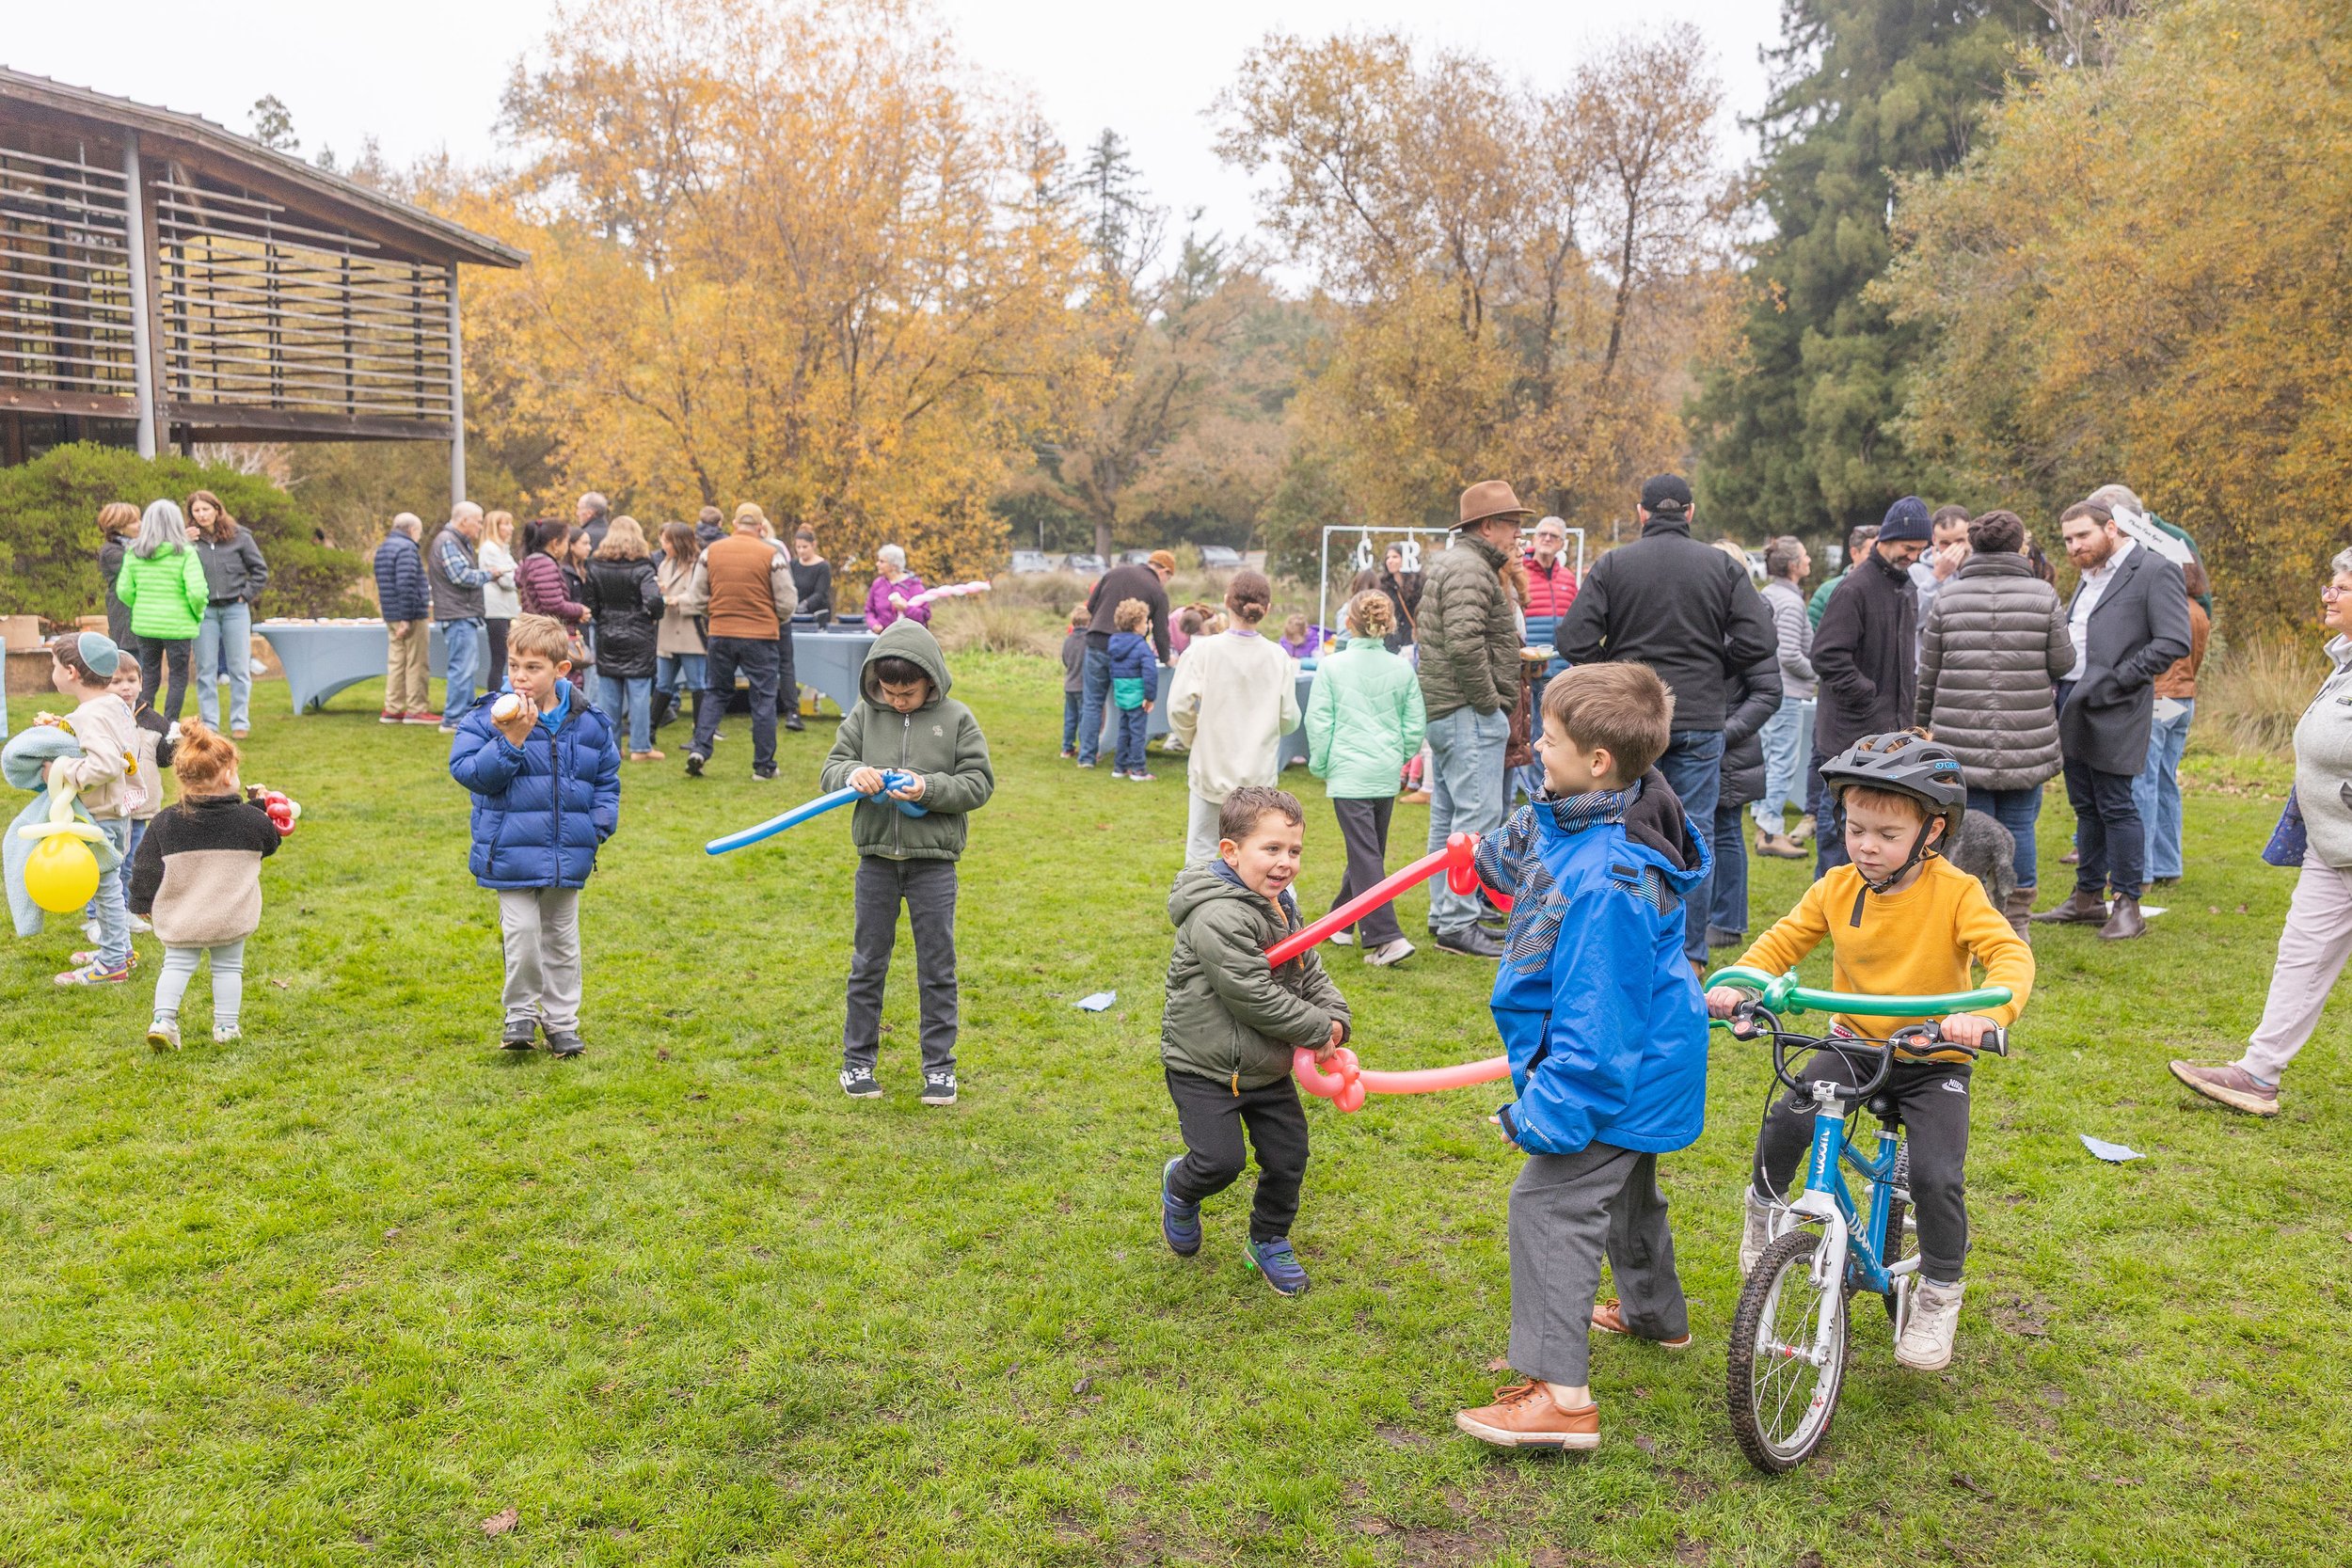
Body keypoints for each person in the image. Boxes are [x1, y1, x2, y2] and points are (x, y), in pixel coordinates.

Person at [1708, 733, 2034, 1373]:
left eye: (1886, 833)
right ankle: (1765, 1207)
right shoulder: (1835, 886)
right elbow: (1780, 944)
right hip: (1855, 1043)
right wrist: (1741, 983)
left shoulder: (1957, 891)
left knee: (1938, 1175)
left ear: (1932, 830)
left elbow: (2009, 956)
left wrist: (1981, 1014)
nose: (1866, 844)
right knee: (1790, 1112)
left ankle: (1939, 1290)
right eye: (1856, 828)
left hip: (1934, 1054)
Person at [1453, 663, 1708, 1451]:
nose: (1535, 747)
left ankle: (1560, 1396)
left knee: (1551, 1203)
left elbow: (1600, 1029)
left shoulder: (1611, 881)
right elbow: (1535, 846)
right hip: (1650, 1062)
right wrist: (1476, 860)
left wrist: (1544, 1112)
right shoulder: (1591, 811)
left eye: (1550, 738)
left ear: (1598, 759)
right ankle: (1654, 1314)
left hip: (1619, 1071)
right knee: (1626, 1189)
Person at [1555, 474, 1776, 965]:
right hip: (1698, 714)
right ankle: (1688, 955)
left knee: (1620, 825)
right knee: (1692, 831)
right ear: (1691, 513)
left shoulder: (1615, 564)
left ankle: (1622, 944)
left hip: (1632, 717)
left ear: (1642, 513)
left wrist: (1612, 670)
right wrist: (1716, 661)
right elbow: (1760, 641)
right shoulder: (1720, 565)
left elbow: (1573, 641)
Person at [2170, 550, 2352, 1117]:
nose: (2327, 593)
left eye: (2342, 586)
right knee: (2302, 953)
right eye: (2331, 583)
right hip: (2333, 842)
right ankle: (2256, 1074)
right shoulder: (2344, 658)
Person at [1156, 785, 1352, 1297]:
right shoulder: (1218, 913)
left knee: (1288, 1157)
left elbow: (1308, 970)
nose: (1285, 863)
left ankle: (1268, 1240)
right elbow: (1251, 994)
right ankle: (1180, 1188)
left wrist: (1335, 1017)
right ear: (1231, 851)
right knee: (1220, 1162)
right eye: (1271, 849)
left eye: (1294, 851)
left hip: (1266, 1066)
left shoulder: (1280, 903)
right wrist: (1315, 1030)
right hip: (1204, 1066)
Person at [820, 619, 994, 1106]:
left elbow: (978, 784)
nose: (898, 701)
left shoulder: (957, 719)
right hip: (875, 860)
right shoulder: (862, 716)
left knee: (937, 965)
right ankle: (857, 1063)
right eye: (889, 691)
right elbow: (830, 769)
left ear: (931, 680)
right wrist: (855, 773)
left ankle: (939, 1068)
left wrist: (929, 787)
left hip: (933, 864)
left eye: (909, 693)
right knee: (867, 964)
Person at [449, 613, 621, 1058]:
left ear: (561, 670)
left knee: (562, 941)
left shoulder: (590, 722)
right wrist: (512, 741)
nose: (520, 677)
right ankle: (520, 1012)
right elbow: (468, 772)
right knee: (523, 933)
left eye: (532, 667)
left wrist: (598, 825)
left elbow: (607, 777)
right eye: (513, 666)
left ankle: (562, 1022)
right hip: (509, 851)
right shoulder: (490, 717)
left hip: (568, 852)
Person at [2031, 499, 2192, 942]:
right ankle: (2086, 898)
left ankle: (2127, 905)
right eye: (2067, 539)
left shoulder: (2154, 569)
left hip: (2118, 703)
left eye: (2083, 535)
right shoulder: (2088, 576)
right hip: (2071, 699)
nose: (2074, 546)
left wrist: (2118, 680)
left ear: (2112, 528)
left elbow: (2174, 640)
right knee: (2085, 804)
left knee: (2117, 804)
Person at [1914, 509, 2073, 931]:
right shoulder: (2043, 595)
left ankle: (1970, 921)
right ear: (2020, 546)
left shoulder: (1949, 598)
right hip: (2026, 736)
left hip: (1960, 739)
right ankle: (2016, 921)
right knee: (2021, 826)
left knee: (1965, 830)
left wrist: (1918, 728)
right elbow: (2064, 662)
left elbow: (1927, 673)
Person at [1416, 483, 1534, 958]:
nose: (1517, 534)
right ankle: (1458, 922)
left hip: (1451, 709)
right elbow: (1466, 645)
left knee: (1448, 817)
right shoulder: (1471, 568)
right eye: (1512, 524)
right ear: (1488, 526)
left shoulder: (1458, 563)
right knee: (1477, 817)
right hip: (1468, 711)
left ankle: (1445, 913)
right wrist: (1491, 702)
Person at [128, 723, 283, 1051]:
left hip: (184, 915)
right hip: (229, 915)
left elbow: (145, 864)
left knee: (176, 965)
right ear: (228, 776)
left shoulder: (166, 821)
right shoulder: (252, 821)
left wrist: (141, 901)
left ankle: (163, 1021)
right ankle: (226, 1027)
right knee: (228, 968)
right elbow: (268, 841)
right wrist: (262, 808)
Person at [1305, 590, 1427, 968]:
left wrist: (1321, 764)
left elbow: (1319, 722)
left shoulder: (1331, 667)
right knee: (1368, 852)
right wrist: (1399, 756)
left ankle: (1385, 937)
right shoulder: (1401, 667)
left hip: (1349, 770)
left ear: (1348, 622)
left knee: (1365, 853)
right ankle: (1340, 922)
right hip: (1383, 771)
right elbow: (1414, 723)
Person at [1810, 498, 1931, 874]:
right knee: (1842, 831)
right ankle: (1829, 909)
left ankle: (1874, 909)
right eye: (1908, 548)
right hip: (1849, 736)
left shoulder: (1905, 588)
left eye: (1920, 551)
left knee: (1880, 830)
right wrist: (1869, 698)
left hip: (1890, 735)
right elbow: (1827, 655)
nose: (1913, 556)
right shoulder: (1855, 588)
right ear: (1887, 538)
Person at [1168, 571, 1300, 865]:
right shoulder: (1277, 657)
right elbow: (1290, 717)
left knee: (1201, 853)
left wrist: (1193, 738)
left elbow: (1178, 707)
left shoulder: (1202, 651)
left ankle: (1200, 909)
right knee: (1261, 852)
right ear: (1266, 609)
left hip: (1210, 768)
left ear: (1227, 602)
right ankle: (1271, 911)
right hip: (1258, 774)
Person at [38, 632, 139, 985]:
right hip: (117, 810)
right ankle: (119, 949)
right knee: (110, 885)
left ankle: (112, 964)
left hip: (101, 814)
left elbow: (106, 764)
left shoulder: (91, 714)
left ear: (70, 672)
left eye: (53, 666)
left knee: (106, 886)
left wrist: (62, 771)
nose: (52, 672)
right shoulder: (113, 705)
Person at [681, 505, 797, 781]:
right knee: (764, 697)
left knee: (716, 691)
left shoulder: (711, 552)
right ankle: (763, 766)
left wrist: (716, 614)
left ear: (733, 523)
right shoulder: (772, 555)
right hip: (761, 636)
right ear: (761, 526)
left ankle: (699, 748)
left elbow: (696, 596)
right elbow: (787, 601)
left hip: (721, 632)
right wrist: (771, 618)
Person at [2136, 562, 2210, 887]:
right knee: (2166, 782)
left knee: (2144, 783)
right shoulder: (2199, 612)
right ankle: (2168, 865)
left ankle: (2142, 870)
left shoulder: (2170, 609)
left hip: (2161, 699)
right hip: (2185, 699)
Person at [1708, 641, 1785, 953]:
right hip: (1708, 742)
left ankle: (1727, 922)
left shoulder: (1745, 621)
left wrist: (1721, 735)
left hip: (1727, 748)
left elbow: (1768, 691)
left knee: (1725, 829)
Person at [1074, 550, 1176, 769]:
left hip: (1096, 643)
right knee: (1128, 703)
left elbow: (1090, 607)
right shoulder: (1157, 591)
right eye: (1169, 577)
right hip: (1130, 653)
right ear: (1165, 571)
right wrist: (1167, 659)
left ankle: (1087, 757)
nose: (1167, 582)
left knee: (1093, 702)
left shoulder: (1115, 572)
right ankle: (1128, 759)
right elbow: (1161, 631)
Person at [116, 500, 210, 723]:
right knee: (177, 677)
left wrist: (142, 606)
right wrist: (196, 614)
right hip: (179, 626)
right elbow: (197, 593)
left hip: (145, 625)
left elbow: (124, 591)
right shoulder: (185, 553)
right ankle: (169, 725)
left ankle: (143, 722)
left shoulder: (134, 553)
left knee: (148, 674)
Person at [184, 490, 267, 738]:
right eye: (196, 511)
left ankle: (240, 721)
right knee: (206, 668)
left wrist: (245, 594)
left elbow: (260, 571)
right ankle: (210, 724)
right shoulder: (188, 541)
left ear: (217, 510)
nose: (201, 514)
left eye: (206, 509)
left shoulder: (239, 536)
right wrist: (181, 541)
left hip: (235, 609)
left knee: (239, 667)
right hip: (204, 611)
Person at [584, 517, 667, 762]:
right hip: (638, 632)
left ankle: (611, 746)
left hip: (608, 631)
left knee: (609, 693)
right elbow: (653, 600)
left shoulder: (596, 566)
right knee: (639, 692)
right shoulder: (644, 567)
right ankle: (640, 747)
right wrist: (654, 616)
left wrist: (604, 617)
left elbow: (590, 603)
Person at [1753, 535, 1815, 858]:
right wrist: (1817, 673)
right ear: (1793, 565)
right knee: (1782, 762)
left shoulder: (1770, 594)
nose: (1808, 561)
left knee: (1768, 757)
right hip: (1786, 693)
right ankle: (1770, 831)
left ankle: (1764, 824)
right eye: (1804, 556)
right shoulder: (1789, 603)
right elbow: (1789, 655)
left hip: (1770, 691)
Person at [426, 502, 502, 734]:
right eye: (478, 521)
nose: (480, 526)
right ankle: (453, 718)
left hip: (462, 613)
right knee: (462, 668)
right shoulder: (448, 540)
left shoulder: (456, 541)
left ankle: (463, 716)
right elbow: (460, 576)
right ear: (463, 521)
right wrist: (490, 574)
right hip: (458, 614)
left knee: (467, 667)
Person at [373, 514, 436, 725]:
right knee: (416, 662)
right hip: (410, 615)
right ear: (412, 530)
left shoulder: (384, 547)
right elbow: (406, 583)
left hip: (391, 613)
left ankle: (393, 708)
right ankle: (417, 709)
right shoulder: (407, 549)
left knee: (397, 661)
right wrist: (407, 618)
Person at [652, 521, 706, 737]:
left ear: (678, 542)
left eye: (666, 541)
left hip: (690, 632)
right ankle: (649, 730)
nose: (663, 545)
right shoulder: (665, 564)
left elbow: (702, 597)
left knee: (696, 683)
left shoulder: (699, 565)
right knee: (663, 682)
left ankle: (701, 734)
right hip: (667, 629)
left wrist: (677, 599)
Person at [1106, 598, 1159, 782]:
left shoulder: (1114, 643)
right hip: (1138, 695)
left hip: (1121, 693)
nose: (1147, 625)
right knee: (1138, 733)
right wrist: (1150, 696)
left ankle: (1119, 767)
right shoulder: (1141, 646)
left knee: (1123, 731)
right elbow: (1150, 673)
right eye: (1145, 622)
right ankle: (1138, 769)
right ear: (1137, 625)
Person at [1521, 515, 1578, 673]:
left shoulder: (1568, 578)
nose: (1547, 539)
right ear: (1534, 539)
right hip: (1528, 669)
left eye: (1553, 536)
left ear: (1561, 544)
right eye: (1542, 534)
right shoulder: (1519, 575)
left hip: (1561, 668)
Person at [1910, 504, 1972, 633]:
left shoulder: (1980, 570)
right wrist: (1937, 577)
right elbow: (1913, 622)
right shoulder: (1916, 572)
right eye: (1945, 543)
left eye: (1959, 541)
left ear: (1970, 538)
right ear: (1934, 540)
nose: (1952, 549)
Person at [479, 510, 522, 696]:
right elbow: (508, 581)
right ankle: (494, 699)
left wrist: (513, 573)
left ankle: (502, 696)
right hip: (496, 611)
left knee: (504, 657)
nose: (511, 528)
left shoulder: (503, 550)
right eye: (506, 524)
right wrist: (515, 575)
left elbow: (516, 574)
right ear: (495, 527)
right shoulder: (490, 549)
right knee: (499, 658)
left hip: (507, 610)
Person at [1809, 524, 1876, 628]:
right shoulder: (1827, 591)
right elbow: (1813, 634)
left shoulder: (1894, 590)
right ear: (1854, 553)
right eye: (1871, 553)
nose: (1877, 559)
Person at [97, 501, 141, 656]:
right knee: (131, 660)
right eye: (134, 521)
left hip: (139, 615)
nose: (140, 525)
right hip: (124, 615)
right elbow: (138, 570)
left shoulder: (134, 547)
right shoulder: (111, 551)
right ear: (119, 527)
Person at [863, 545, 930, 633]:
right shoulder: (877, 584)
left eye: (882, 561)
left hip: (908, 639)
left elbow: (925, 616)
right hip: (882, 638)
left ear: (894, 565)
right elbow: (869, 611)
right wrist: (874, 624)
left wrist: (906, 609)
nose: (877, 564)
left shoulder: (914, 585)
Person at [1059, 604, 1089, 758]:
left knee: (1070, 718)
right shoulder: (1089, 641)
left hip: (1069, 684)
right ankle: (1085, 747)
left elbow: (1065, 659)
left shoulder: (1068, 641)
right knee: (1085, 718)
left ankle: (1067, 747)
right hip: (1083, 685)